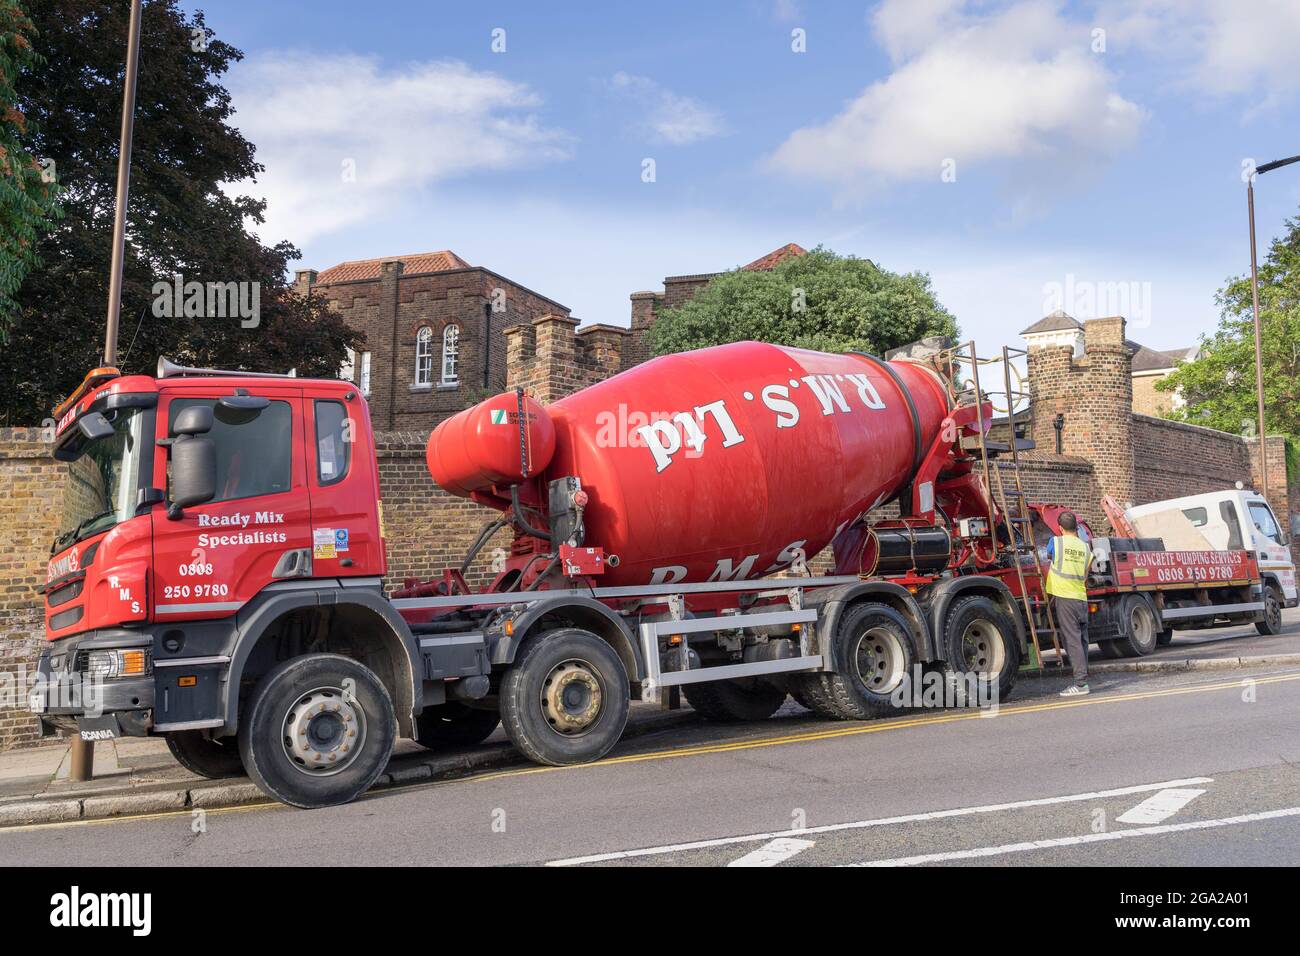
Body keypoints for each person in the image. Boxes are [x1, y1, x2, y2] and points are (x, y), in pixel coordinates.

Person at [1045, 511, 1093, 696]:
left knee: (1072, 641)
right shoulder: (1085, 547)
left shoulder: (1056, 542)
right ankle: (1083, 677)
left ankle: (1081, 684)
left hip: (1065, 597)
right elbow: (1086, 573)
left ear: (1060, 528)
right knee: (1082, 641)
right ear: (1076, 527)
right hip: (1081, 597)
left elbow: (1050, 556)